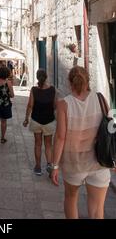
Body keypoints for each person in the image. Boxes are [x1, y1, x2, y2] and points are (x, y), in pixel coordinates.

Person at [51, 66, 111, 219]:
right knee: (97, 210)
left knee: (71, 200)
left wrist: (55, 165)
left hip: (73, 164)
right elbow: (111, 128)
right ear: (87, 81)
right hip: (99, 162)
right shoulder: (100, 99)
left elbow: (60, 137)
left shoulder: (63, 104)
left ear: (70, 82)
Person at [23, 69, 56, 175]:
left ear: (37, 77)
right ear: (46, 77)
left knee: (37, 144)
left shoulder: (34, 90)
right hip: (49, 121)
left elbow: (30, 105)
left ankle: (38, 167)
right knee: (48, 144)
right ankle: (49, 164)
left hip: (36, 120)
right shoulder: (52, 90)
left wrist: (26, 118)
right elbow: (55, 106)